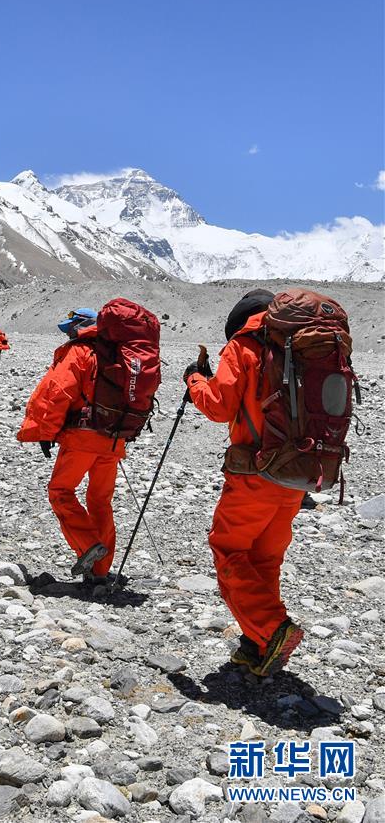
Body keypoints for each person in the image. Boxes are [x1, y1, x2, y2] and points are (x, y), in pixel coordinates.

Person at [183, 288, 305, 677]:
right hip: (297, 474)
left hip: (255, 472)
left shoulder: (244, 345)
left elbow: (219, 406)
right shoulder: (300, 347)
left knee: (229, 549)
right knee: (263, 559)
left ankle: (272, 630)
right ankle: (257, 645)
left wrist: (195, 380)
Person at [17, 308, 124, 583]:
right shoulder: (120, 353)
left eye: (72, 327)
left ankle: (88, 545)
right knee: (100, 501)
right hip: (114, 438)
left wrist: (45, 431)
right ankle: (99, 571)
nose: (69, 332)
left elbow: (57, 394)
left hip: (82, 436)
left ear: (83, 326)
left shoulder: (79, 352)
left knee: (60, 491)